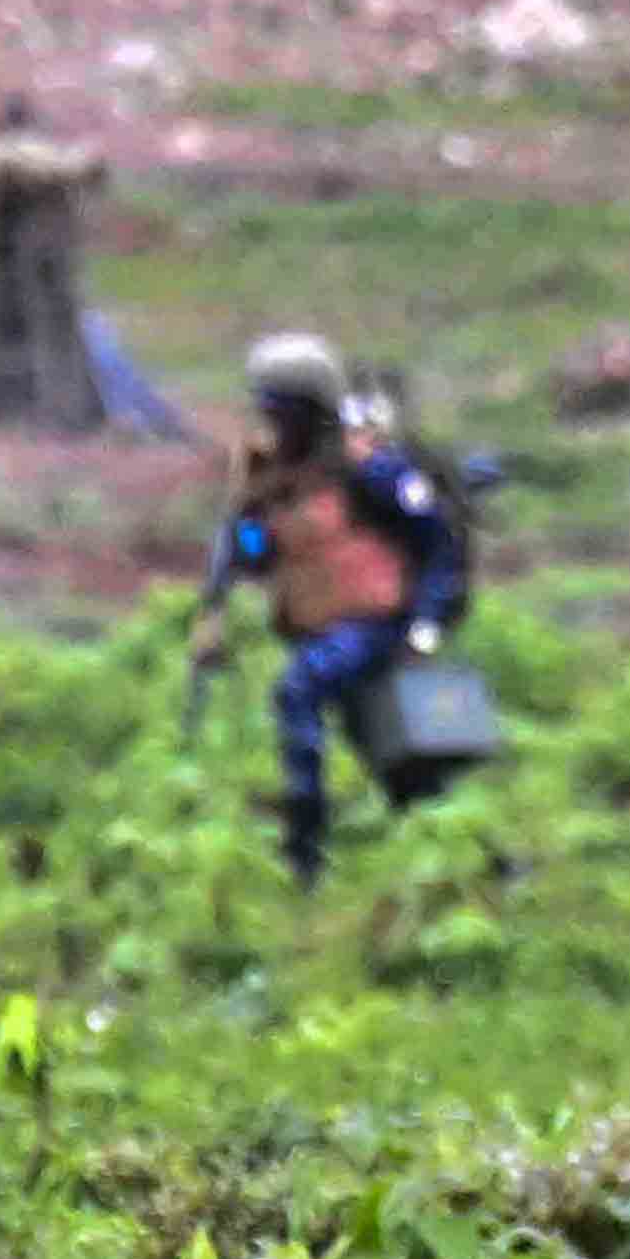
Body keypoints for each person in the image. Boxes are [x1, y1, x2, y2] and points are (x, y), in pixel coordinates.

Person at [204, 330, 467, 885]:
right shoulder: (276, 482)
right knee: (391, 750)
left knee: (298, 691)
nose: (272, 424)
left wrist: (428, 622)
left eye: (282, 412)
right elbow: (258, 557)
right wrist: (246, 518)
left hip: (375, 624)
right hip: (320, 627)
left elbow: (437, 540)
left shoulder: (368, 469)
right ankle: (463, 850)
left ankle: (305, 844)